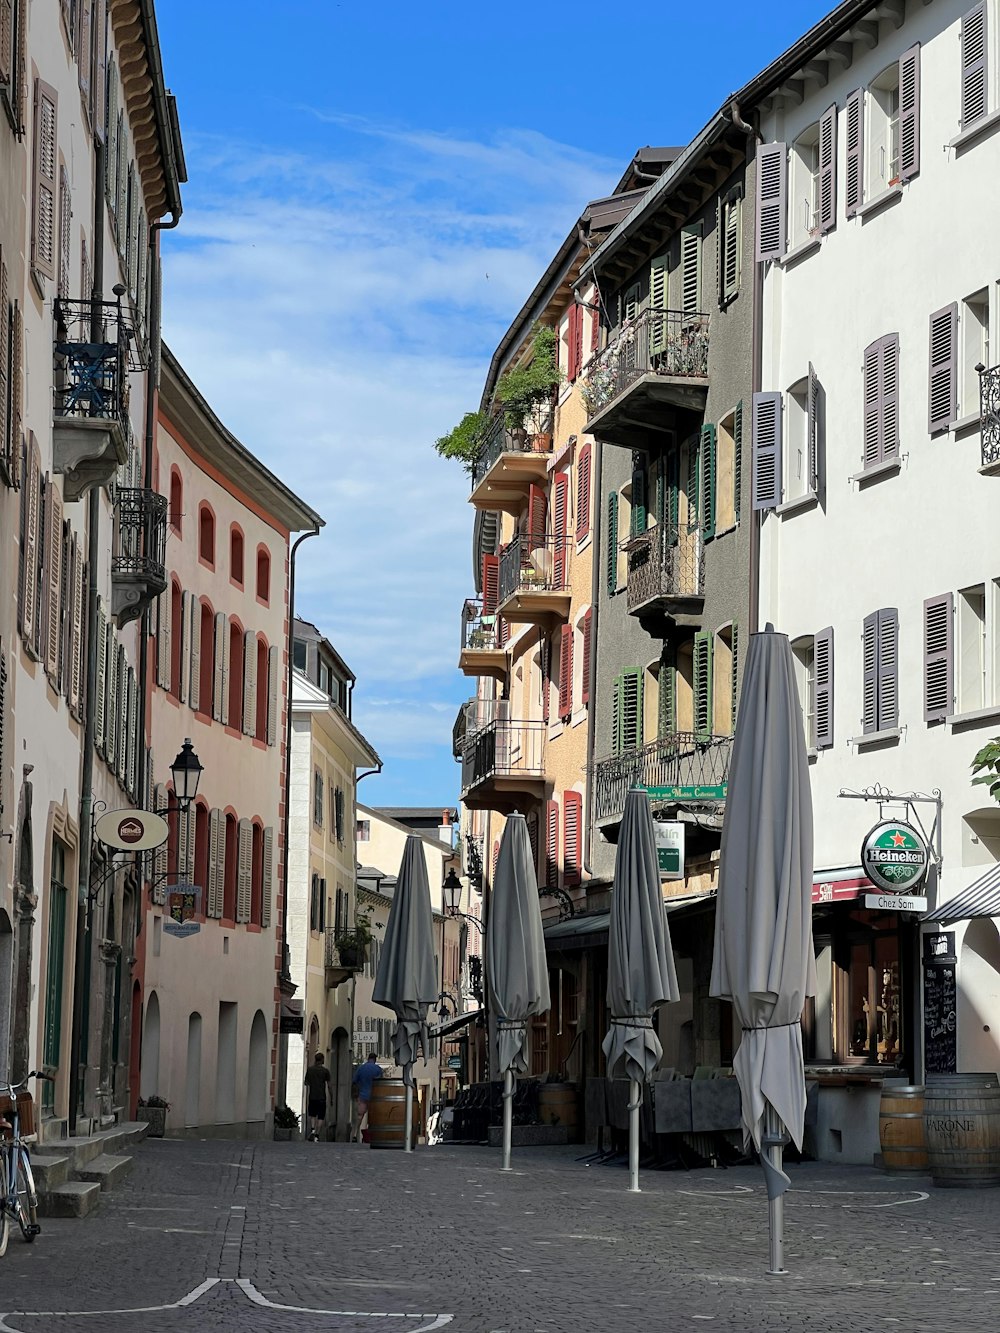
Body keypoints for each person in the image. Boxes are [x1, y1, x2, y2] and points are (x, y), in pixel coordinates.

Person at [351, 1053, 383, 1143]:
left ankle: (354, 1134)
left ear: (368, 1058)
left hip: (362, 1095)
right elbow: (381, 1082)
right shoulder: (378, 1069)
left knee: (359, 1116)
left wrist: (355, 1094)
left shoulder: (361, 1068)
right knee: (374, 1117)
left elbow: (354, 1081)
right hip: (374, 1096)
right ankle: (371, 1136)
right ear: (375, 1059)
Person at [303, 1052, 332, 1142]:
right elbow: (329, 1085)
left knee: (312, 1115)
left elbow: (306, 1082)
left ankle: (312, 1129)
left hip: (312, 1096)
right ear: (322, 1059)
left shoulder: (310, 1070)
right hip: (321, 1097)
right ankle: (317, 1134)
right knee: (321, 1117)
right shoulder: (325, 1071)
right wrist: (332, 1097)